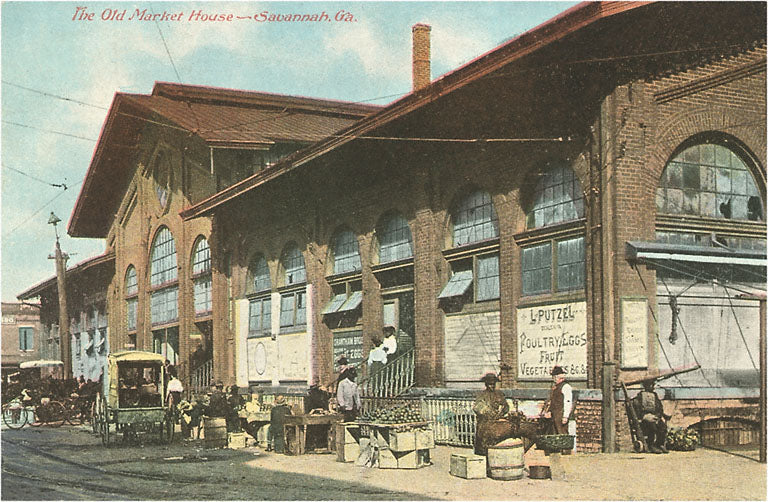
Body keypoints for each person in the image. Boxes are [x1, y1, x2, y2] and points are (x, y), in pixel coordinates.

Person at [472, 372, 510, 456]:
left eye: (493, 384)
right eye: (490, 384)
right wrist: (488, 412)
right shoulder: (481, 395)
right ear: (486, 384)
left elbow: (506, 407)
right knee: (483, 447)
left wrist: (501, 412)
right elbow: (476, 407)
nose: (492, 386)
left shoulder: (499, 394)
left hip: (496, 423)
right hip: (484, 424)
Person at [541, 365, 575, 453]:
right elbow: (552, 401)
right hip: (554, 415)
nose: (553, 379)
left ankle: (566, 453)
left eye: (554, 377)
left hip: (561, 414)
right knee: (554, 434)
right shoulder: (555, 387)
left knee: (562, 434)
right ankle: (556, 453)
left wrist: (565, 416)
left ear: (559, 377)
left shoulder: (566, 387)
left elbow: (568, 402)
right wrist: (548, 411)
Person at [631, 380, 669, 454]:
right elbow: (637, 409)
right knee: (652, 427)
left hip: (654, 416)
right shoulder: (640, 396)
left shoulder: (655, 396)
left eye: (653, 385)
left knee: (663, 426)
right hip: (645, 418)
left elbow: (660, 408)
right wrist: (644, 416)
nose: (652, 387)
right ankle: (651, 445)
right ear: (646, 386)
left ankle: (659, 444)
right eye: (650, 385)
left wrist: (657, 416)